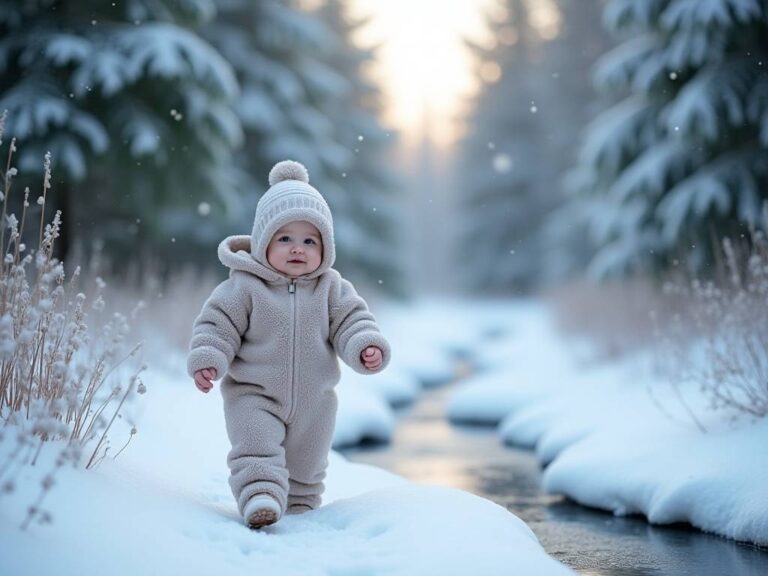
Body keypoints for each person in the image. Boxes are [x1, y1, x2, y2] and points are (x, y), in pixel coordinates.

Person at [187, 160, 390, 529]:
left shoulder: (332, 288)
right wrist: (209, 358)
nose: (298, 248)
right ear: (264, 240)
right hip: (254, 395)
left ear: (325, 247)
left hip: (316, 401)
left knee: (308, 464)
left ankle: (300, 508)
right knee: (256, 449)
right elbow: (217, 326)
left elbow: (352, 320)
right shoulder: (244, 287)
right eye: (285, 238)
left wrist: (364, 345)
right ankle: (260, 497)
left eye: (309, 240)